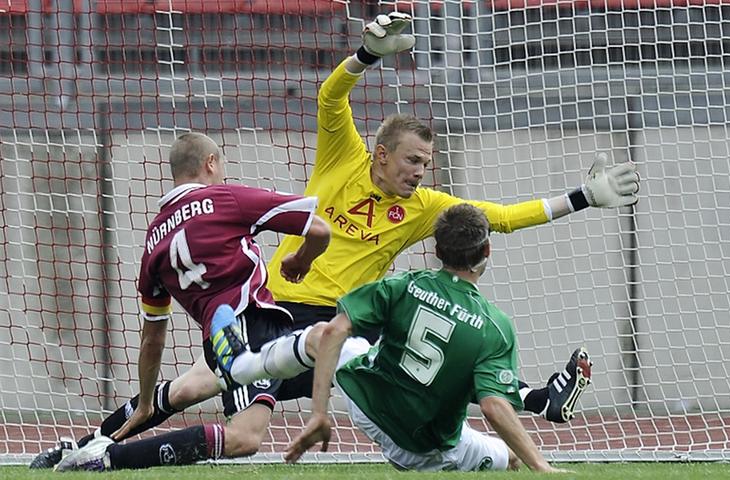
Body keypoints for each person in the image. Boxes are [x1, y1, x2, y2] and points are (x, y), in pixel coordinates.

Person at [32, 12, 637, 469]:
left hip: (341, 327)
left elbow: (501, 217)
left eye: (427, 163)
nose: (422, 172)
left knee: (419, 358)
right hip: (272, 313)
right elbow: (330, 97)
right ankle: (91, 447)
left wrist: (582, 198)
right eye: (413, 161)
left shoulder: (423, 207)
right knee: (192, 392)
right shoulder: (343, 158)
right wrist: (365, 56)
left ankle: (529, 403)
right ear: (381, 154)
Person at [52, 132, 335, 471]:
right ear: (210, 163)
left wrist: (144, 402)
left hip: (217, 339)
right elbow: (319, 230)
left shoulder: (154, 242)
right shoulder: (225, 198)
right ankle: (105, 460)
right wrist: (301, 261)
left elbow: (152, 338)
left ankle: (84, 446)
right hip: (248, 325)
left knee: (186, 390)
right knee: (244, 438)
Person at [285, 204, 590, 472]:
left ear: (437, 250)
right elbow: (493, 406)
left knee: (318, 337)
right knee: (510, 458)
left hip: (367, 403)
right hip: (423, 446)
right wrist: (542, 466)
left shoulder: (404, 283)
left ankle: (250, 368)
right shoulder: (493, 325)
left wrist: (319, 413)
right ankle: (538, 401)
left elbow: (334, 331)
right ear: (487, 251)